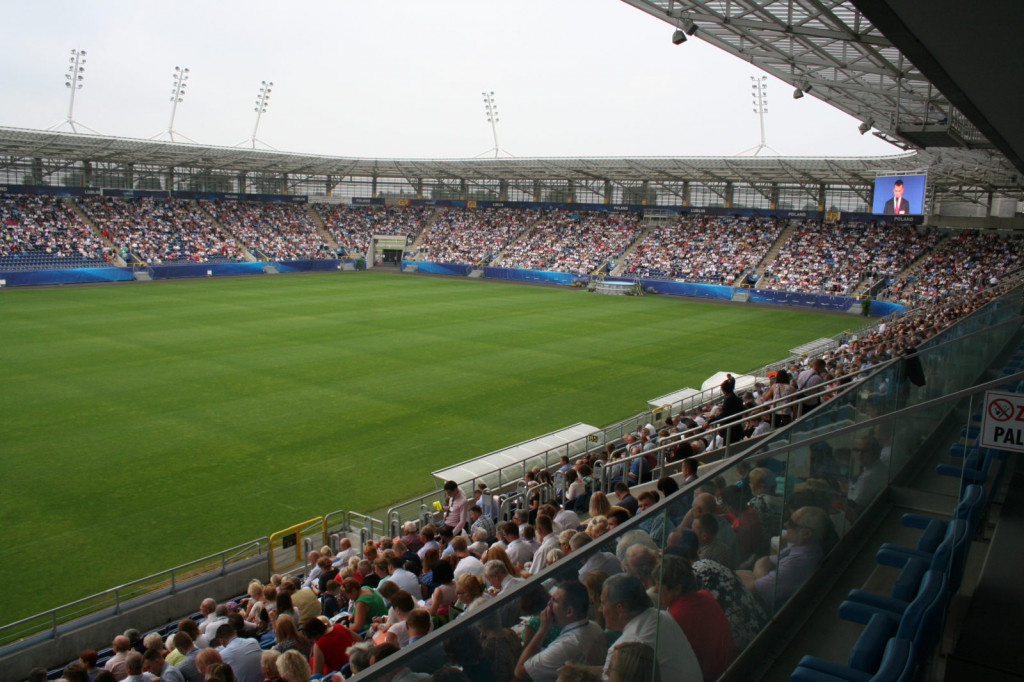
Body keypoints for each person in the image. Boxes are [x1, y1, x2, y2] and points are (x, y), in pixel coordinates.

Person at [596, 574, 701, 682]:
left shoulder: (626, 647)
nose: (600, 609)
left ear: (619, 609)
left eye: (603, 603)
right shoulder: (662, 615)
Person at [658, 555, 735, 682]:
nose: (656, 589)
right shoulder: (705, 595)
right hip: (733, 667)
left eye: (659, 584)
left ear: (677, 588)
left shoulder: (671, 619)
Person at [737, 506, 829, 612]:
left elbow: (755, 590)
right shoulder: (800, 548)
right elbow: (764, 560)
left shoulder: (799, 563)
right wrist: (761, 580)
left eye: (792, 524)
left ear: (807, 534)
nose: (786, 525)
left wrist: (759, 580)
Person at [514, 581, 607, 682]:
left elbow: (520, 671)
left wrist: (542, 630)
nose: (549, 604)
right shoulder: (595, 627)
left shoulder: (565, 645)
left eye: (555, 601)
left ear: (569, 612)